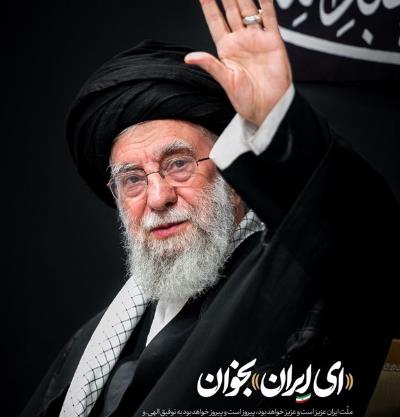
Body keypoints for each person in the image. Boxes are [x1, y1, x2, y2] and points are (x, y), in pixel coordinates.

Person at [21, 1, 399, 416]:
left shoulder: (295, 277)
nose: (158, 197)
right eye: (133, 179)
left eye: (178, 164)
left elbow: (361, 230)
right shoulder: (95, 340)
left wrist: (275, 118)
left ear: (230, 172)